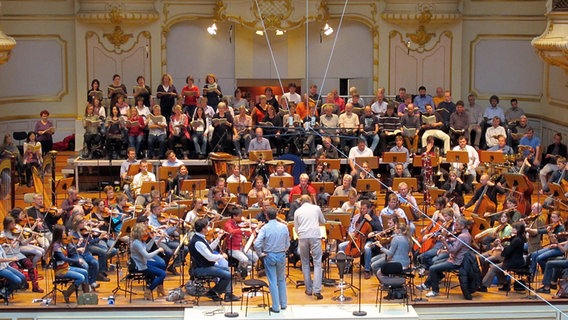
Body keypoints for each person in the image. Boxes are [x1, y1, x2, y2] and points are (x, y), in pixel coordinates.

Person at [416, 217, 471, 297]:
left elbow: (453, 250)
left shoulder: (463, 236)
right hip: (454, 258)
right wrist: (451, 239)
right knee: (435, 263)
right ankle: (427, 285)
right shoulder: (466, 234)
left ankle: (435, 291)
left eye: (457, 224)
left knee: (432, 268)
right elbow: (458, 243)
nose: (455, 225)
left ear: (462, 226)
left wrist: (444, 241)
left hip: (456, 262)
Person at [189, 218, 241, 302]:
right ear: (203, 229)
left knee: (226, 270)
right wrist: (222, 256)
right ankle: (213, 292)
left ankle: (228, 294)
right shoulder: (198, 242)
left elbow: (209, 248)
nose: (209, 228)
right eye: (207, 227)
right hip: (201, 269)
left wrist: (218, 238)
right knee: (227, 275)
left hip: (205, 266)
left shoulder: (200, 237)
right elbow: (210, 257)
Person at [294, 195, 325, 300]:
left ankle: (308, 289)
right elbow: (323, 221)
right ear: (310, 200)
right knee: (317, 262)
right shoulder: (316, 208)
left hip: (302, 236)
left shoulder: (297, 211)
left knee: (305, 262)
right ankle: (317, 290)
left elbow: (296, 227)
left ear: (301, 202)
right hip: (315, 236)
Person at [49, 224, 91, 303]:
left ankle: (87, 295)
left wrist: (77, 247)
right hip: (60, 271)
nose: (65, 234)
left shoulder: (62, 243)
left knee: (85, 272)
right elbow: (63, 258)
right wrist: (77, 261)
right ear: (59, 234)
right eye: (63, 232)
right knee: (81, 277)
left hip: (66, 267)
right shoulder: (56, 246)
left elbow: (70, 250)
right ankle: (67, 293)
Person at [480, 222, 526, 292]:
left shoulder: (516, 240)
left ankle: (484, 286)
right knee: (497, 268)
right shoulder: (519, 238)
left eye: (514, 228)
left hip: (514, 261)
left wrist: (501, 248)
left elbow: (507, 252)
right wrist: (501, 246)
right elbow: (509, 250)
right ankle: (505, 283)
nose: (512, 229)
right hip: (515, 260)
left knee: (494, 267)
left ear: (518, 230)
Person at [130, 222, 167, 299]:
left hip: (144, 262)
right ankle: (149, 290)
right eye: (144, 233)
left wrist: (153, 238)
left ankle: (160, 287)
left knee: (162, 265)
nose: (146, 235)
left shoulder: (140, 241)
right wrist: (158, 250)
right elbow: (147, 255)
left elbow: (147, 248)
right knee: (163, 274)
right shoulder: (136, 243)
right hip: (140, 266)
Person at [224, 207, 259, 275]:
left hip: (241, 247)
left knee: (255, 257)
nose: (241, 217)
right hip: (232, 249)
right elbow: (231, 231)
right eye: (240, 216)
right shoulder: (228, 224)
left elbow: (246, 233)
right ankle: (240, 272)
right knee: (244, 259)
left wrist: (252, 230)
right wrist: (242, 229)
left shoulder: (238, 224)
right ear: (234, 216)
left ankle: (245, 270)